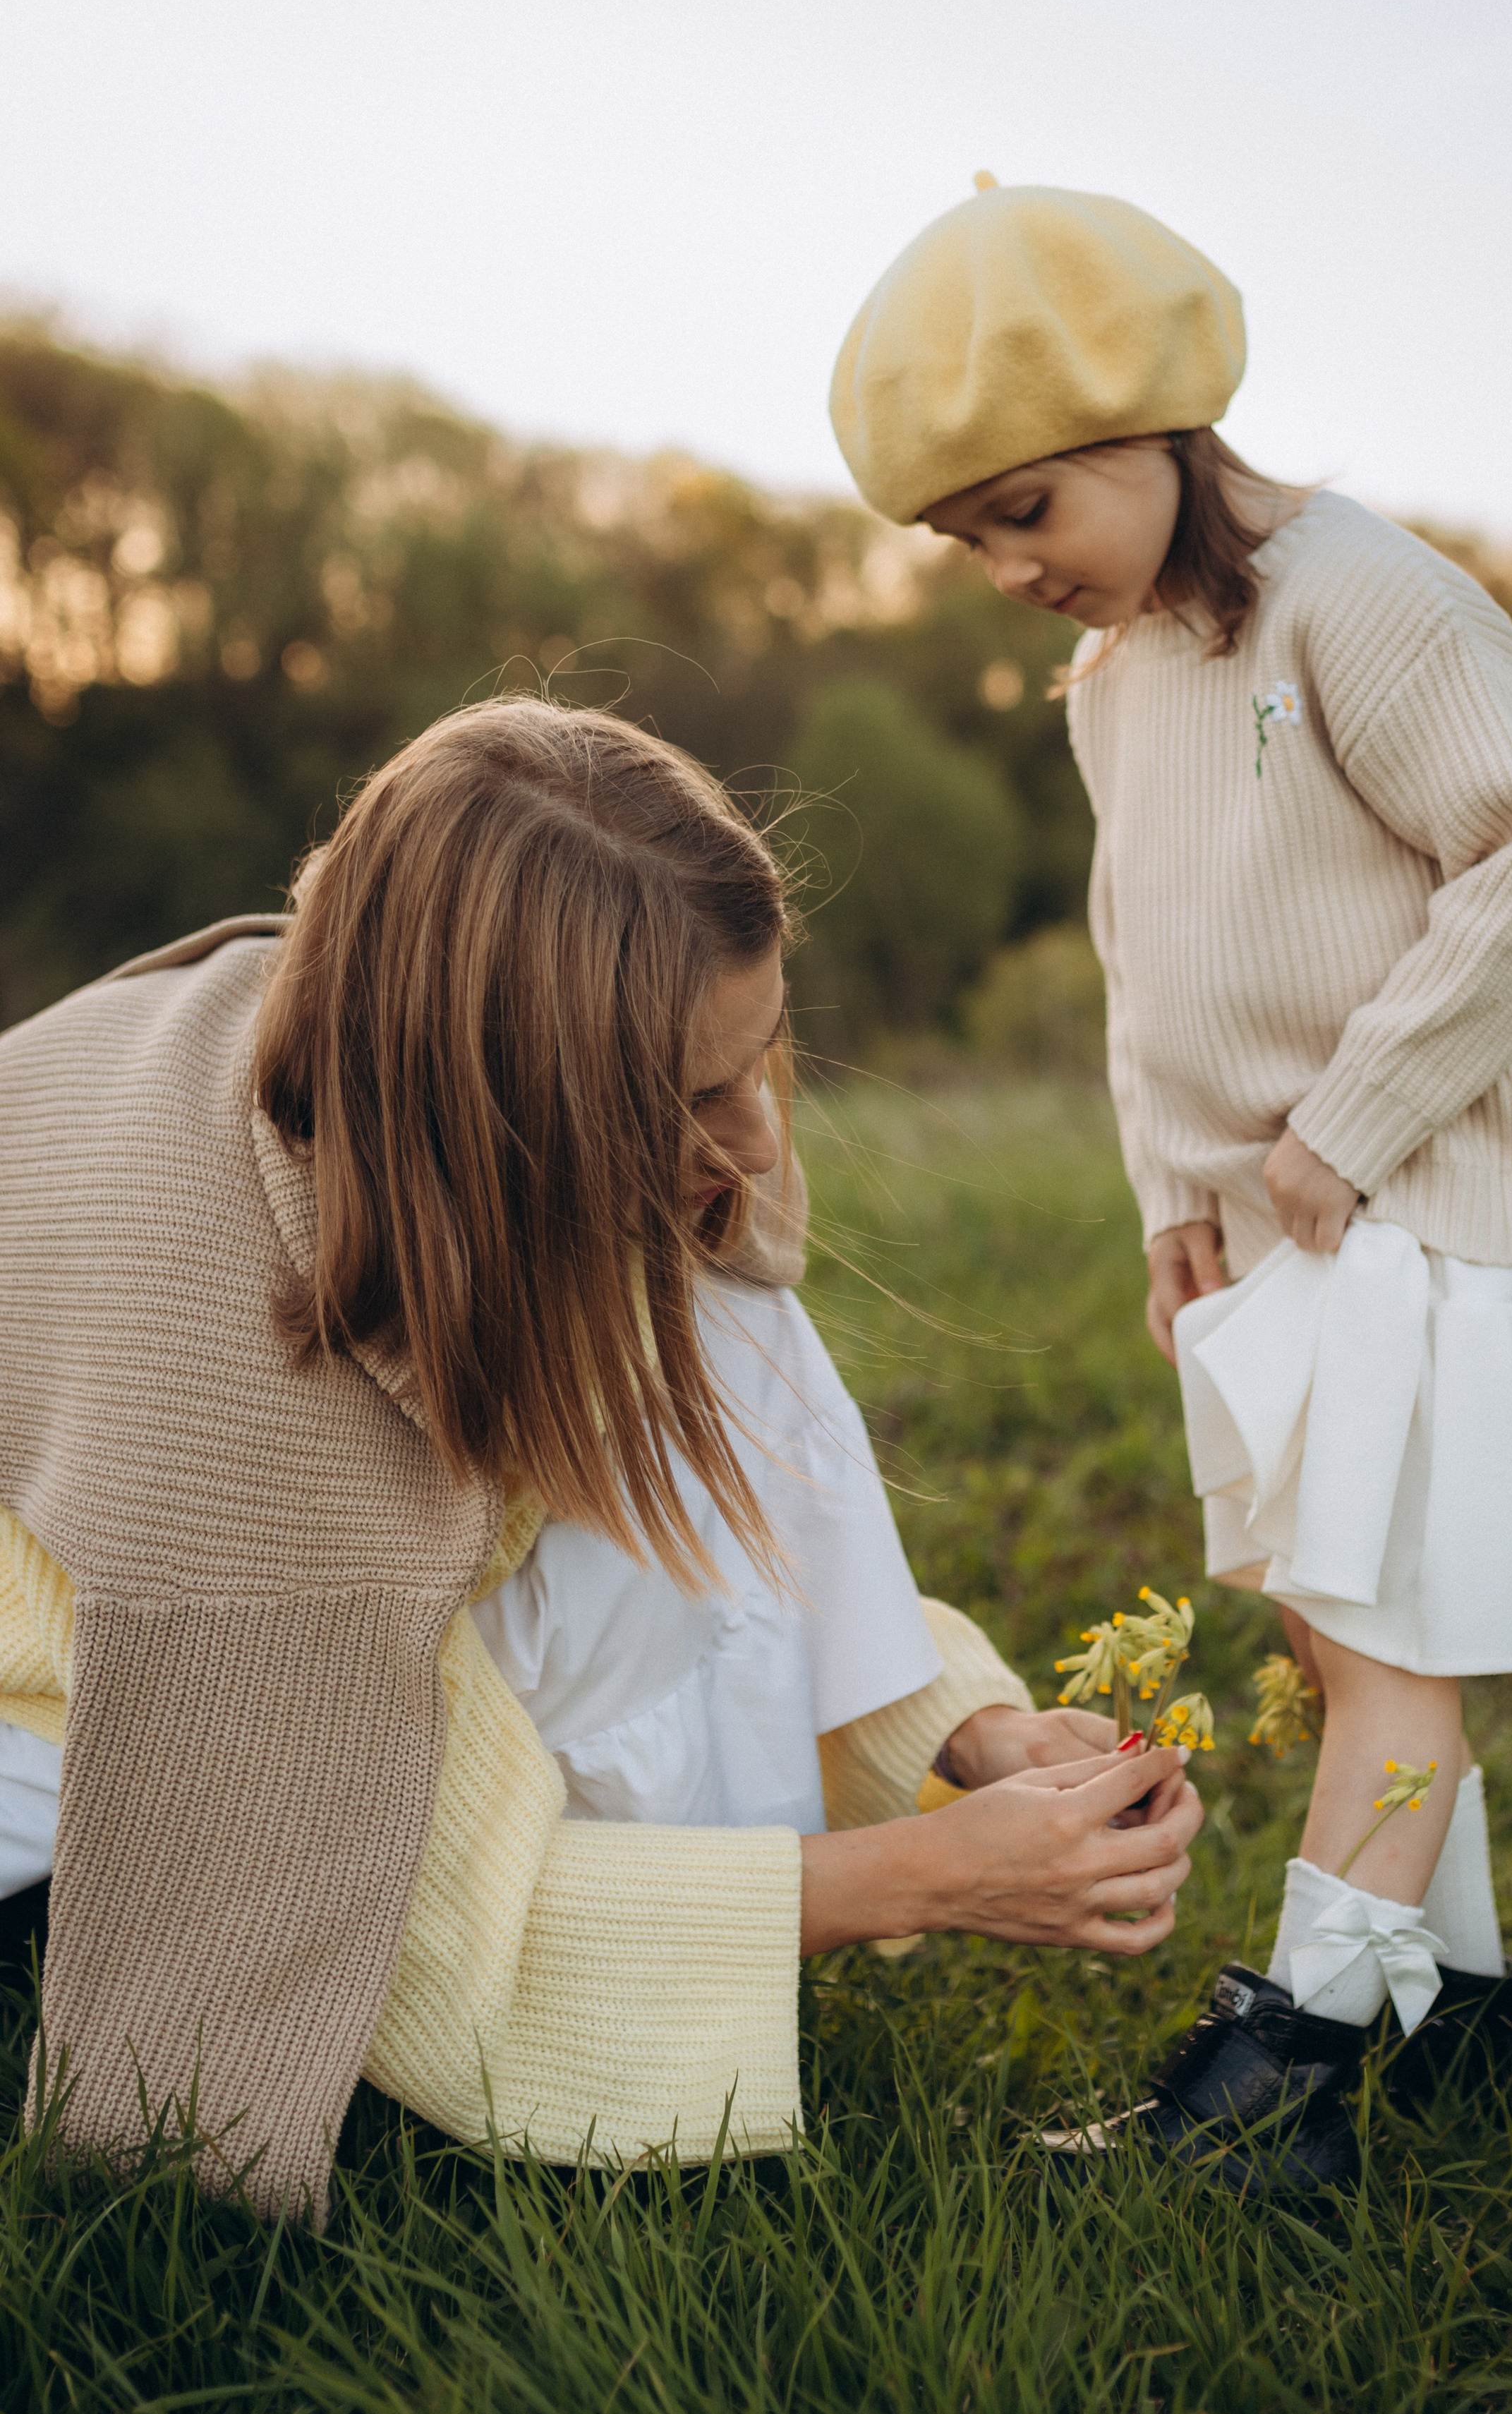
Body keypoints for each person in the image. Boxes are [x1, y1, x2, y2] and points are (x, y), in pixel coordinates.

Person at [0, 697, 1202, 2221]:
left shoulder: (415, 1076)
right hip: (88, 1630)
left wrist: (951, 1734)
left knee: (708, 1299)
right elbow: (410, 1922)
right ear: (500, 1115)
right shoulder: (244, 1454)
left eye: (759, 1058)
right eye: (695, 1099)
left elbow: (762, 1491)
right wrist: (937, 1874)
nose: (758, 1138)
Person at [828, 179, 1512, 2190]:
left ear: (1154, 427)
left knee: (1397, 1638)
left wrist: (1352, 1124)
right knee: (1341, 1634)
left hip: (1432, 1213)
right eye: (965, 536)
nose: (1002, 568)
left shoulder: (1360, 599)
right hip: (1288, 1239)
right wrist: (1175, 1196)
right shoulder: (1108, 680)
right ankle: (1458, 2014)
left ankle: (1296, 2066)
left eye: (1025, 509)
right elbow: (1152, 966)